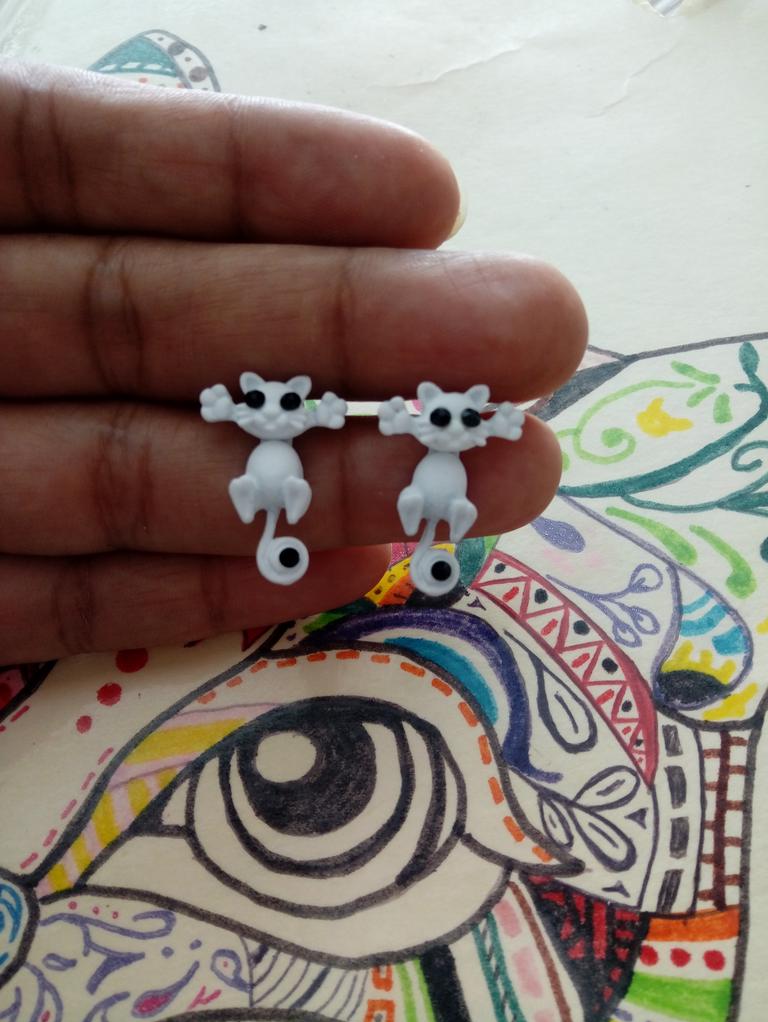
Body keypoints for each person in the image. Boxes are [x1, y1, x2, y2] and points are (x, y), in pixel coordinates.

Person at [0, 62, 588, 662]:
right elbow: (259, 412)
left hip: (418, 492)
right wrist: (233, 406)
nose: (276, 412)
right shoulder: (268, 415)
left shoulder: (413, 426)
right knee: (295, 496)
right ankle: (308, 530)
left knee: (427, 510)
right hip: (268, 481)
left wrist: (483, 422)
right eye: (267, 403)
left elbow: (370, 419)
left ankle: (420, 548)